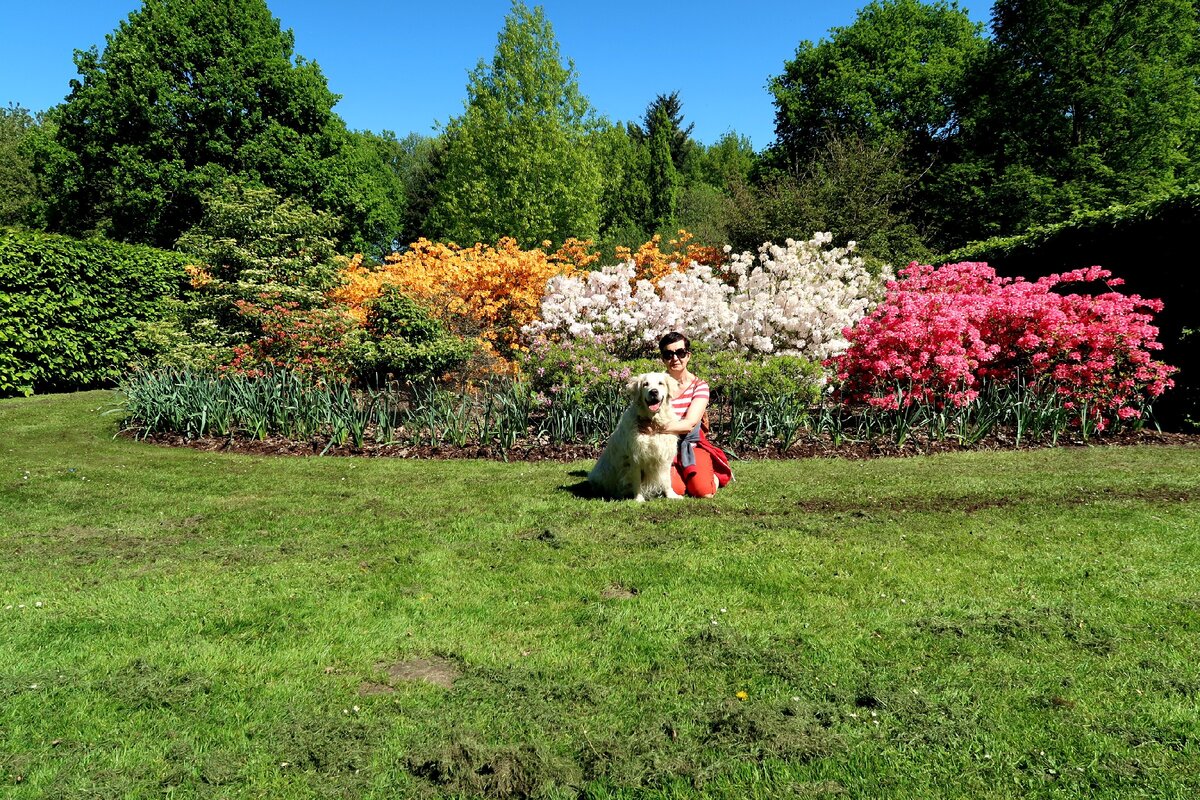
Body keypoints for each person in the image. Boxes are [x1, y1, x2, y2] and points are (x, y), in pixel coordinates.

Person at [651, 332, 733, 498]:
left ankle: (713, 476)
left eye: (680, 353)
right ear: (663, 358)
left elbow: (689, 423)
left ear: (688, 355)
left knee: (703, 492)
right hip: (664, 444)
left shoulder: (699, 386)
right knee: (676, 490)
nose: (675, 359)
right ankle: (684, 476)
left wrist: (654, 427)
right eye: (668, 354)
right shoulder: (655, 384)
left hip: (691, 443)